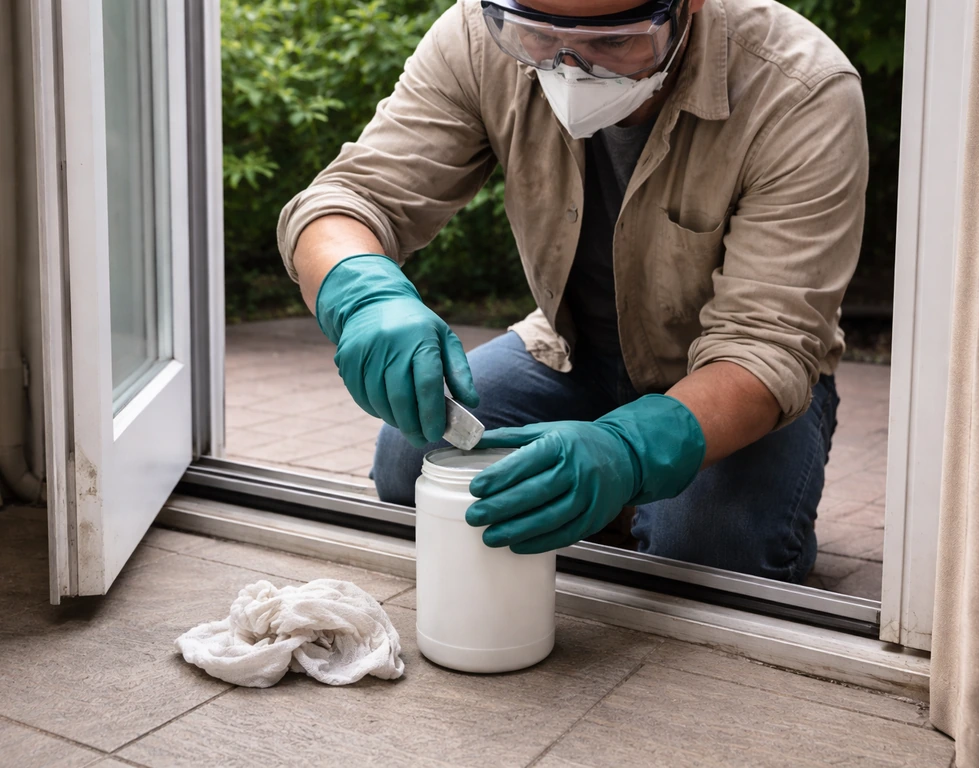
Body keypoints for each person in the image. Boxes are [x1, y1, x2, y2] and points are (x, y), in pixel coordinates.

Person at [277, 0, 868, 582]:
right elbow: (351, 200)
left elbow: (766, 344)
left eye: (613, 42)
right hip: (572, 349)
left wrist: (631, 453)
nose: (570, 66)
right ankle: (613, 506)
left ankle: (632, 503)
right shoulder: (479, 36)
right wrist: (364, 294)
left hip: (734, 378)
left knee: (705, 546)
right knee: (415, 460)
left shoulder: (800, 88)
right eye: (537, 33)